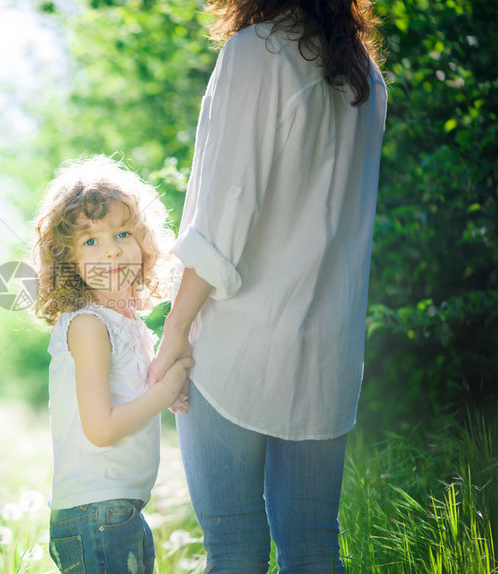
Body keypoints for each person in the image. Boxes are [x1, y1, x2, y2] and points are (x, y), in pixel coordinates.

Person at [149, 0, 387, 571]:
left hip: (240, 346)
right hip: (326, 353)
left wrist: (175, 330)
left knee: (233, 545)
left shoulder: (258, 51)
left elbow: (223, 217)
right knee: (312, 545)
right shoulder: (364, 74)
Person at [32, 155, 194, 574]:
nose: (112, 251)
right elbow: (100, 429)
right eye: (90, 242)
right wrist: (165, 388)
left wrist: (163, 383)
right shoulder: (88, 324)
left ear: (144, 241)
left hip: (117, 508)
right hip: (96, 512)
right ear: (68, 262)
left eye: (122, 233)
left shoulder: (126, 323)